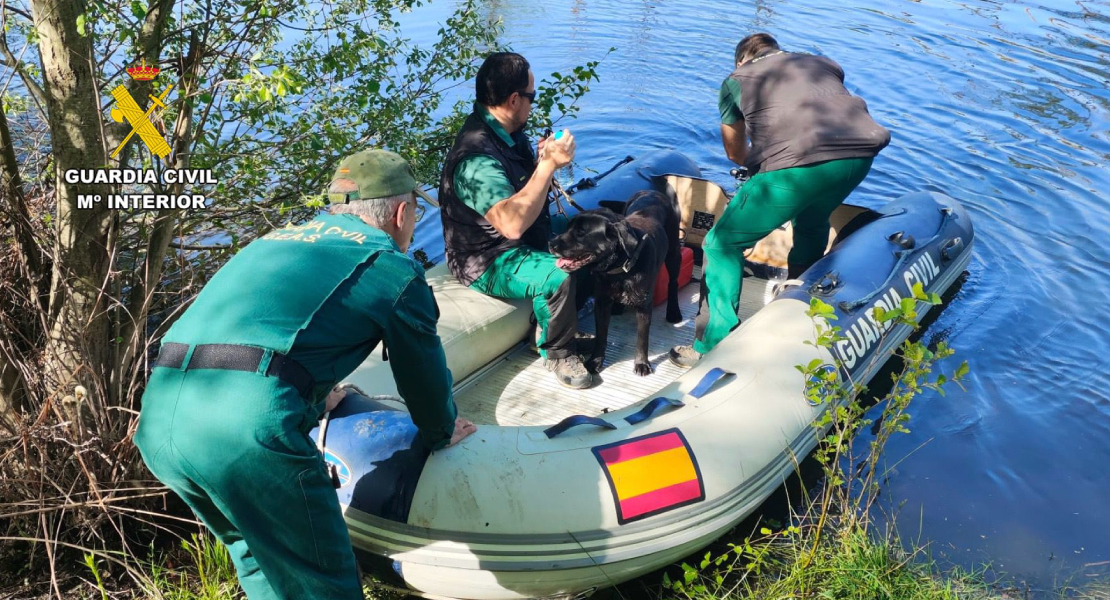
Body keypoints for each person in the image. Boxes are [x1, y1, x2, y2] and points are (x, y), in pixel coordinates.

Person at [134, 149, 477, 600]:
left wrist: (313, 397)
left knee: (257, 554)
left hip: (160, 421)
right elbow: (423, 375)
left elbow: (264, 336)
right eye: (414, 212)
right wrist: (441, 428)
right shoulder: (389, 268)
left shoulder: (274, 240)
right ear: (401, 212)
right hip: (247, 434)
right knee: (324, 582)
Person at [670, 33, 891, 367]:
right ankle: (797, 302)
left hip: (797, 169)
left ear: (741, 60)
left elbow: (734, 152)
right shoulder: (820, 62)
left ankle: (715, 341)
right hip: (860, 157)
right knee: (813, 220)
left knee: (719, 244)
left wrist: (758, 168)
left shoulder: (736, 80)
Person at [438, 51, 593, 389]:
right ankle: (557, 352)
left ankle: (560, 318)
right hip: (487, 258)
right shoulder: (476, 160)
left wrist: (540, 162)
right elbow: (511, 224)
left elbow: (523, 190)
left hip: (515, 242)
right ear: (513, 99)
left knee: (594, 235)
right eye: (531, 97)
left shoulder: (507, 132)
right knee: (560, 273)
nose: (532, 104)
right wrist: (550, 166)